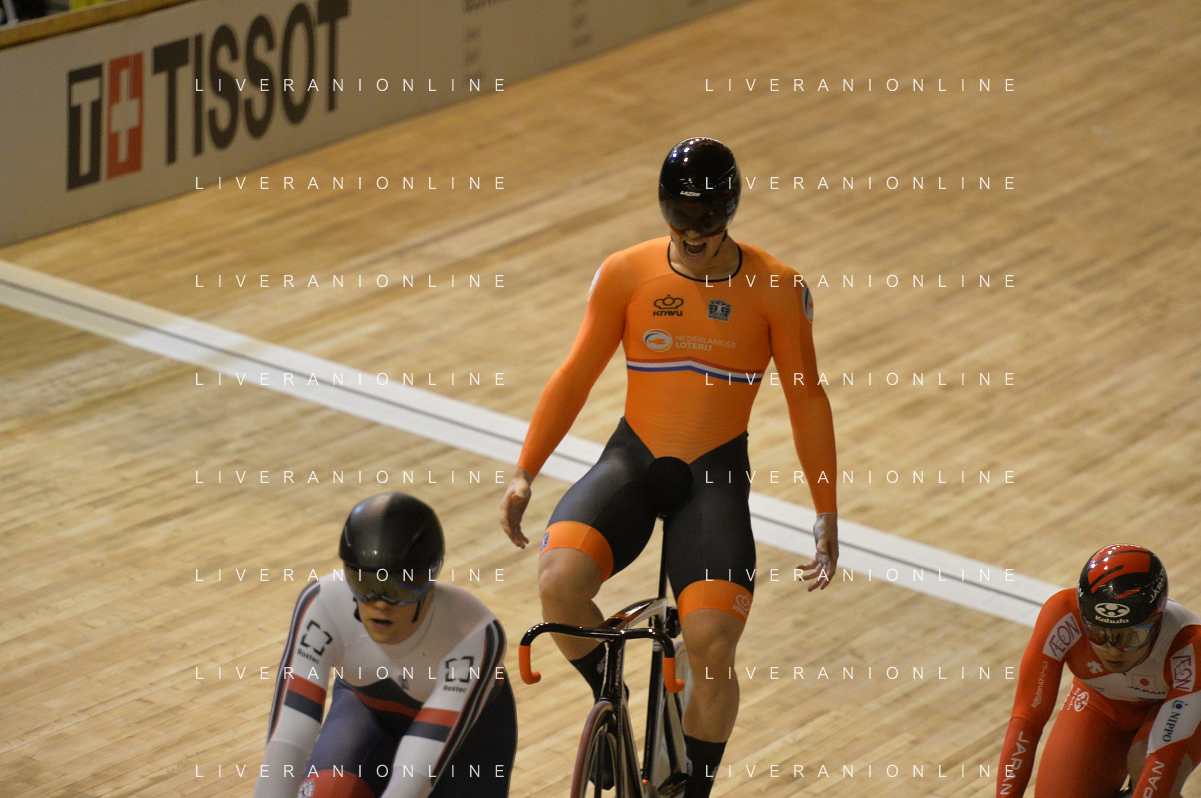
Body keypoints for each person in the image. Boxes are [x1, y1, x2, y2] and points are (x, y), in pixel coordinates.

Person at [499, 137, 839, 798]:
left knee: (711, 646)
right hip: (632, 459)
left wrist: (825, 509)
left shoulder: (776, 288)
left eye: (705, 220)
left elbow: (807, 400)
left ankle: (693, 790)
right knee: (559, 583)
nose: (691, 233)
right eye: (679, 218)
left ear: (729, 213)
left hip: (713, 479)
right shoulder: (626, 273)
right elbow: (574, 375)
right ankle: (609, 693)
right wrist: (524, 471)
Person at [254, 493, 516, 798]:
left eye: (397, 588)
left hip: (469, 744)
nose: (380, 603)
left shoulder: (475, 635)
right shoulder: (321, 603)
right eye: (364, 584)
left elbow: (413, 779)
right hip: (366, 713)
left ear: (429, 583)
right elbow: (288, 739)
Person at [997, 544, 1201, 798]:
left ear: (1157, 622)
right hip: (1101, 703)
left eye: (1130, 637)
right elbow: (1026, 722)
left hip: (1181, 708)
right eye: (1097, 634)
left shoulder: (1190, 643)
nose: (1113, 651)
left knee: (1143, 761)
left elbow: (1165, 757)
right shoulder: (1063, 614)